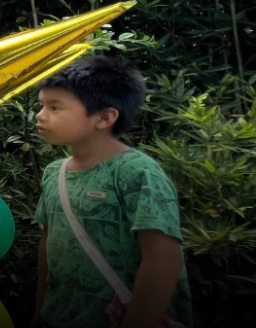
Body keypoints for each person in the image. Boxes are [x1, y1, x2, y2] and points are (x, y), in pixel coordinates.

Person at [31, 57, 191, 328]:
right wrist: (40, 311)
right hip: (59, 316)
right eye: (42, 105)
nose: (40, 115)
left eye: (55, 107)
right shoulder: (54, 172)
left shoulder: (135, 172)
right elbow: (49, 243)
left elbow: (163, 259)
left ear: (104, 117)